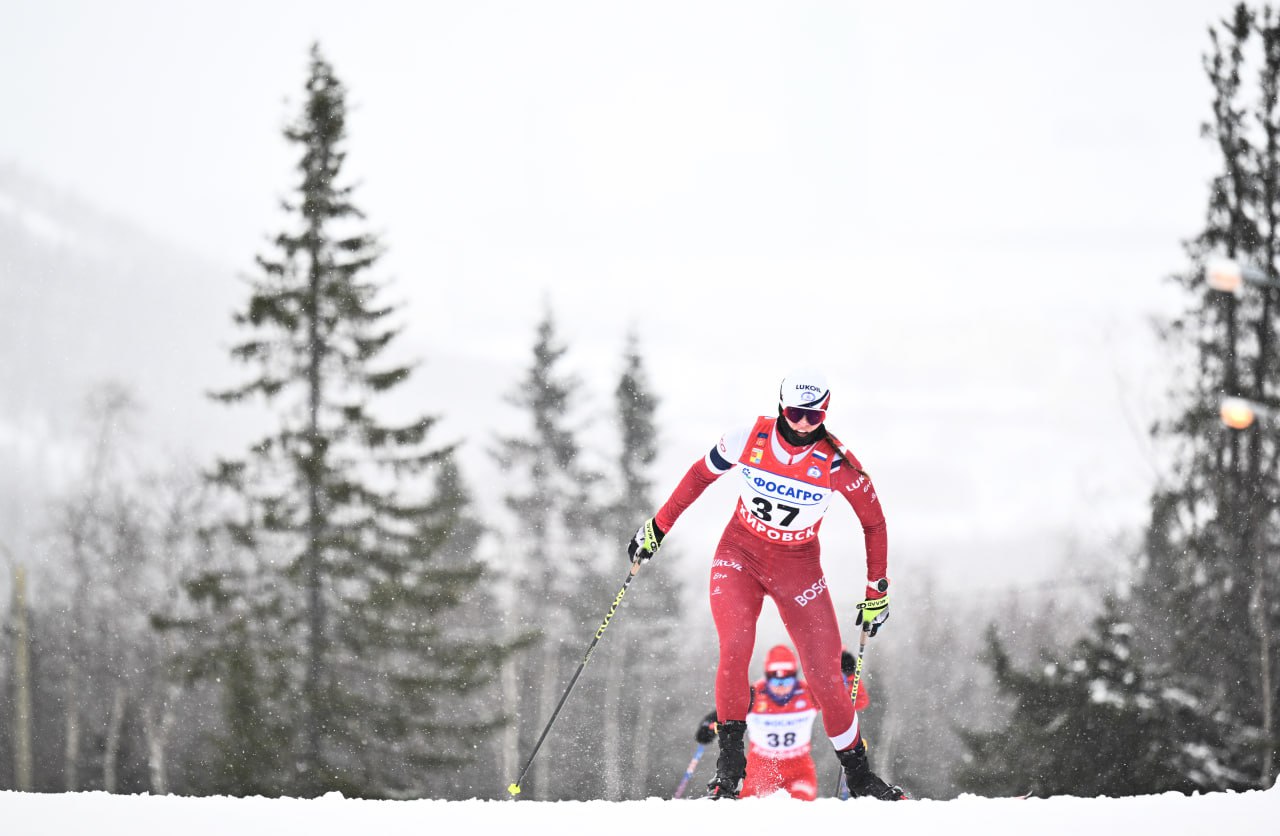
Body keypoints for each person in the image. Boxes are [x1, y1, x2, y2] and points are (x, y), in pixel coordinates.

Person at [630, 369, 902, 800]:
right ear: (781, 407)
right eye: (796, 413)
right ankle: (729, 767)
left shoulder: (838, 463)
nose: (804, 424)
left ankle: (861, 778)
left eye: (815, 416)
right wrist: (657, 528)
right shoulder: (747, 439)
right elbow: (699, 476)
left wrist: (877, 593)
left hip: (798, 567)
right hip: (739, 554)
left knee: (826, 677)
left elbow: (874, 523)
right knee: (735, 646)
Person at [692, 645, 875, 801]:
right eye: (776, 680)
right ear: (767, 677)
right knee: (749, 814)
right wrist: (709, 725)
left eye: (787, 680)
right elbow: (727, 712)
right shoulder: (754, 695)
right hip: (759, 769)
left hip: (799, 770)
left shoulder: (808, 693)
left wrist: (848, 675)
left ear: (795, 677)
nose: (781, 686)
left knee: (798, 813)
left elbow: (855, 702)